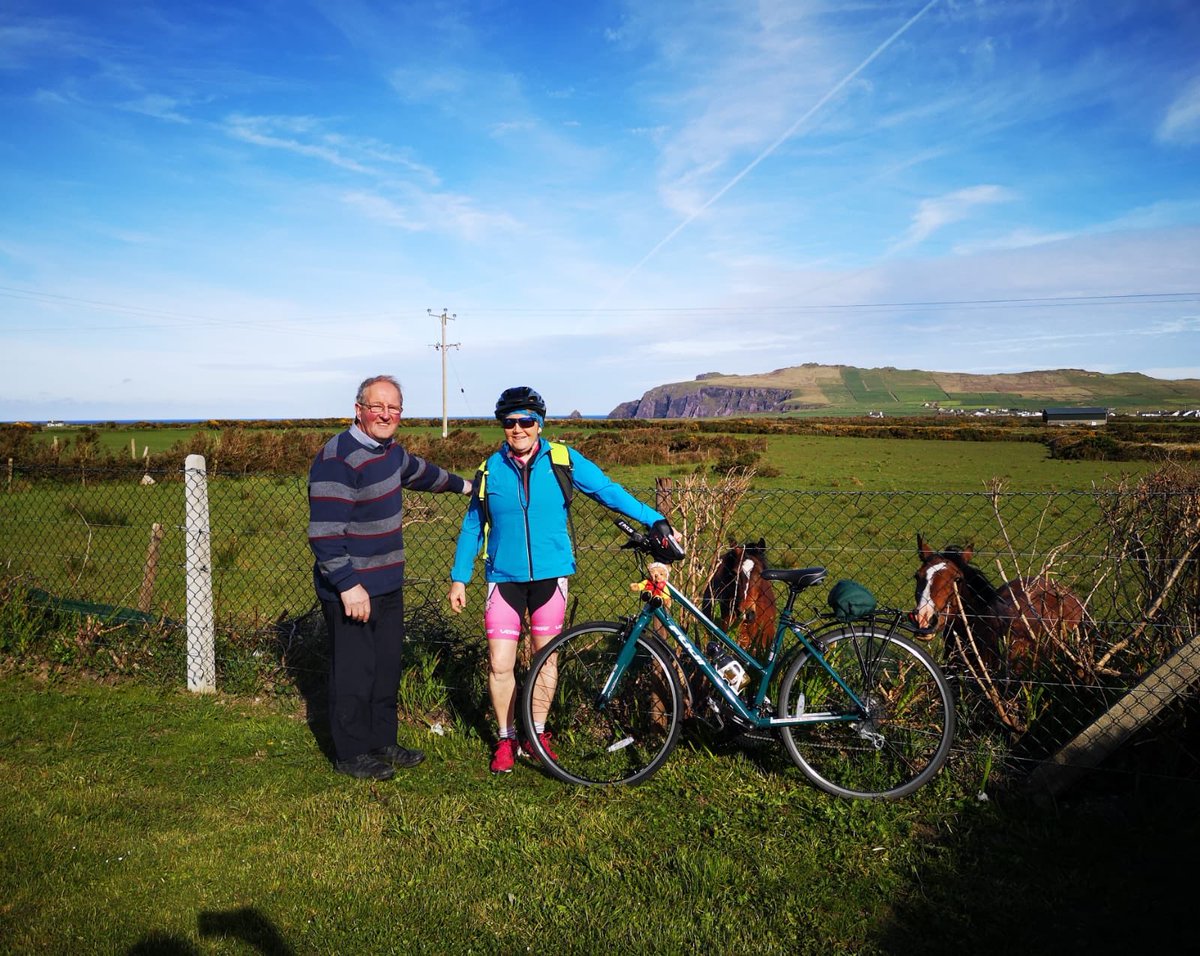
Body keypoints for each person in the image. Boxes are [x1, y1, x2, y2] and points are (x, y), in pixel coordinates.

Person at [447, 386, 681, 774]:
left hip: (551, 577)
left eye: (526, 421)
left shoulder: (563, 460)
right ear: (502, 426)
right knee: (499, 664)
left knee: (546, 659)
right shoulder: (489, 470)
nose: (518, 429)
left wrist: (651, 517)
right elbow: (473, 525)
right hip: (503, 579)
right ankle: (506, 740)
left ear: (539, 424)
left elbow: (607, 491)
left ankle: (536, 736)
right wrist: (459, 578)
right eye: (510, 422)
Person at [308, 374, 472, 781]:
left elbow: (423, 473)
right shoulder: (337, 458)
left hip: (386, 583)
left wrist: (468, 486)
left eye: (393, 408)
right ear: (358, 410)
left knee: (385, 667)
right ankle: (350, 753)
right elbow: (325, 535)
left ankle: (382, 741)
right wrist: (348, 586)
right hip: (353, 589)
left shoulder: (389, 453)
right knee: (353, 671)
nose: (385, 414)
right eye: (376, 406)